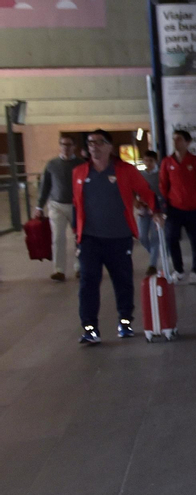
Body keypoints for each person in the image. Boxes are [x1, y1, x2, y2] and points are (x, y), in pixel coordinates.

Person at [73, 128, 160, 344]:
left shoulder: (125, 170)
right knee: (88, 283)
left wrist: (156, 211)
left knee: (122, 282)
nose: (94, 146)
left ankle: (125, 322)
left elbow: (146, 191)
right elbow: (77, 206)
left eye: (99, 142)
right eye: (91, 142)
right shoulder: (79, 173)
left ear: (110, 147)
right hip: (90, 239)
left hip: (119, 238)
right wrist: (78, 236)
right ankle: (90, 329)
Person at [159, 129, 196, 283]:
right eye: (174, 139)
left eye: (179, 139)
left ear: (187, 142)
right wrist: (163, 206)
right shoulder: (167, 162)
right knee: (171, 238)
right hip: (174, 209)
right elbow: (163, 185)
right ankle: (178, 270)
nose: (175, 142)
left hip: (194, 209)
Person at [33, 135, 80, 282]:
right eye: (63, 145)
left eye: (69, 145)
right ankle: (59, 270)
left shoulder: (81, 164)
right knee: (58, 238)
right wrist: (39, 206)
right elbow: (45, 186)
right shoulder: (52, 164)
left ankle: (79, 267)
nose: (66, 148)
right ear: (60, 146)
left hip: (77, 206)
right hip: (56, 205)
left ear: (74, 147)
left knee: (79, 238)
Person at [135, 150, 163, 274]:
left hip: (157, 209)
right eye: (146, 160)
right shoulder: (140, 175)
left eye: (150, 161)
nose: (148, 163)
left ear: (155, 161)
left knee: (155, 237)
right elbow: (135, 190)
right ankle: (154, 253)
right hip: (143, 209)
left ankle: (152, 264)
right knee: (142, 236)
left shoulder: (161, 175)